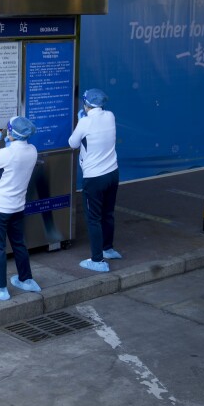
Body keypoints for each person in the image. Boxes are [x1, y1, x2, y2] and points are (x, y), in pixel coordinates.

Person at [0, 116, 40, 301]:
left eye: (8, 129)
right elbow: (12, 163)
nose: (6, 131)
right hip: (17, 207)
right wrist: (8, 145)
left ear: (12, 133)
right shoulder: (32, 150)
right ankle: (26, 279)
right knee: (19, 243)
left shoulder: (8, 154)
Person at [68, 88, 121, 273]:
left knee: (93, 218)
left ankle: (97, 260)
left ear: (86, 104)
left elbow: (72, 143)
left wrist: (81, 120)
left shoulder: (85, 122)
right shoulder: (110, 116)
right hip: (112, 173)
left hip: (94, 178)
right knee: (108, 213)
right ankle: (108, 248)